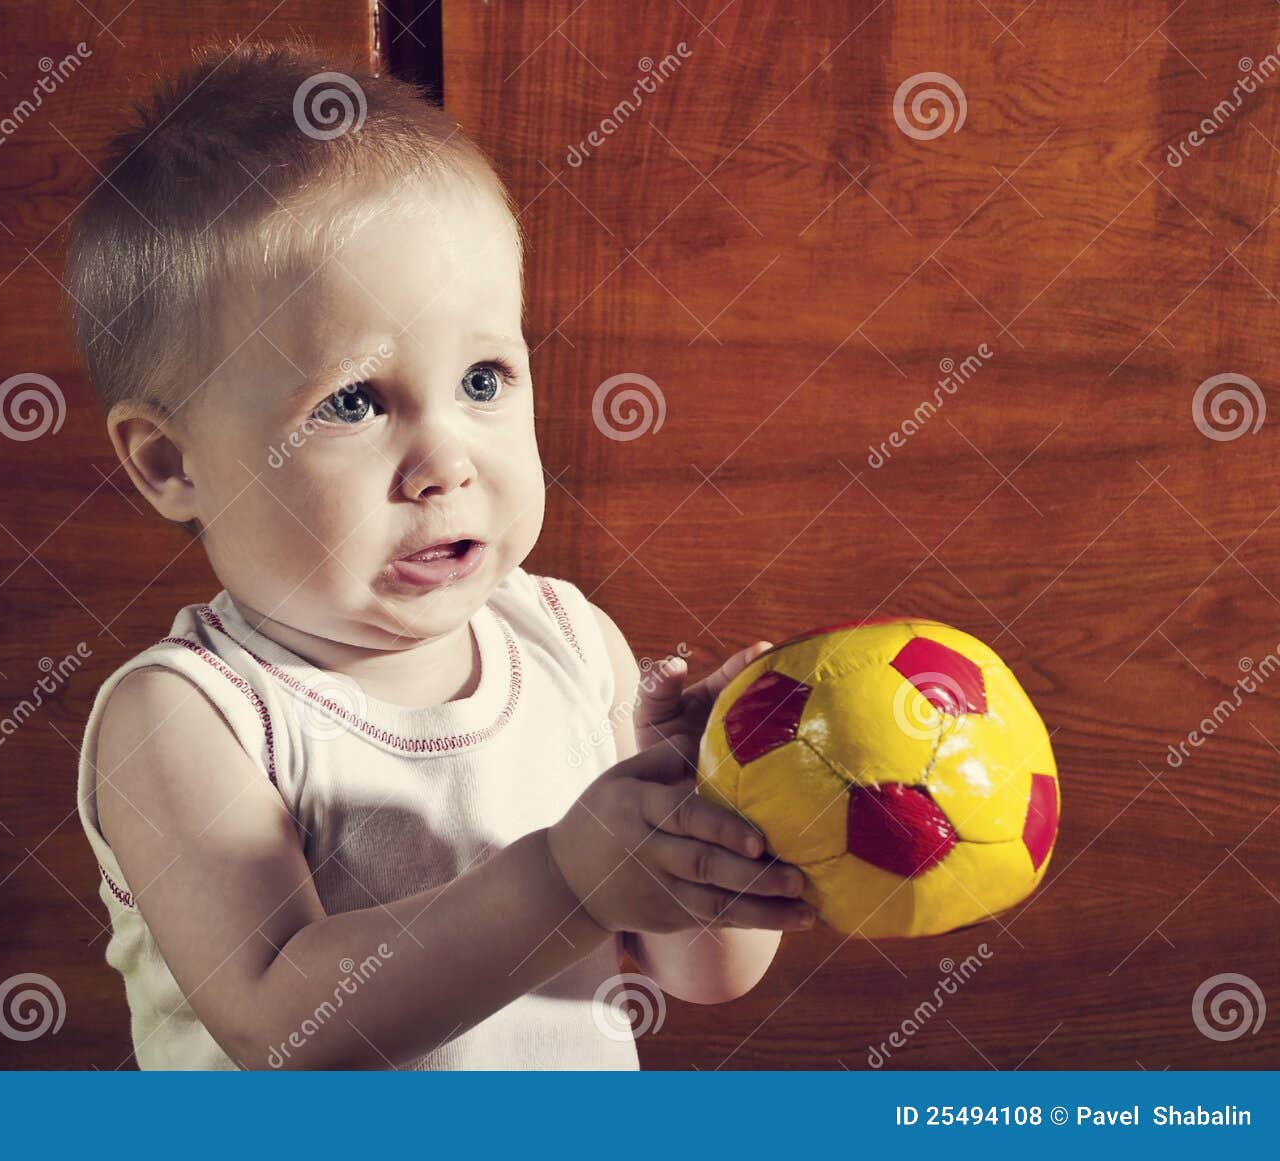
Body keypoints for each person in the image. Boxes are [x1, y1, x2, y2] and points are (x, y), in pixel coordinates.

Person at [63, 36, 815, 1070]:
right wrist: (568, 877)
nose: (445, 465)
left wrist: (713, 808)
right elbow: (283, 1025)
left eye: (482, 381)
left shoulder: (566, 642)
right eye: (353, 401)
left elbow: (704, 974)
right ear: (169, 461)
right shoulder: (189, 718)